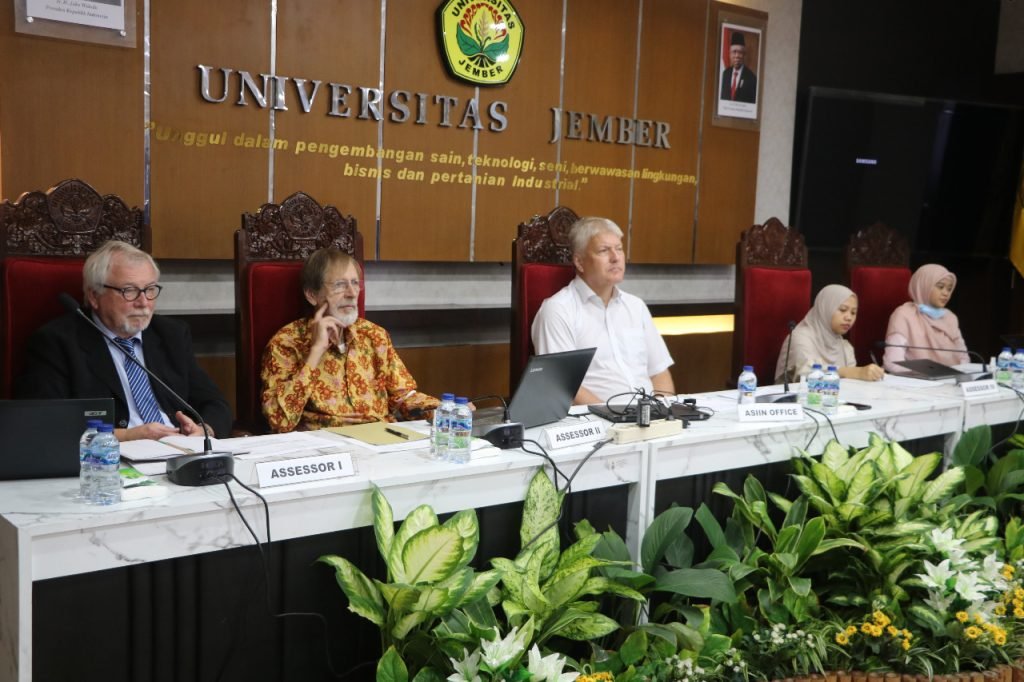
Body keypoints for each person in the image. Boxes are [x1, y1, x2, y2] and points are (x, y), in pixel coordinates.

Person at [15, 240, 232, 441]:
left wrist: (203, 431)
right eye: (129, 291)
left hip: (178, 451)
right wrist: (128, 436)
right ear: (94, 296)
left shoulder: (171, 334)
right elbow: (46, 424)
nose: (143, 303)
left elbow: (216, 404)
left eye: (150, 290)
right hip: (107, 462)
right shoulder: (57, 342)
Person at [261, 247, 438, 432]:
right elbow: (279, 421)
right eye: (340, 285)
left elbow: (403, 397)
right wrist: (315, 353)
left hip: (381, 439)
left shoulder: (374, 335)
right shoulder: (286, 343)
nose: (352, 293)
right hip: (326, 447)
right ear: (312, 295)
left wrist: (446, 410)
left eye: (355, 283)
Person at [531, 216, 674, 404]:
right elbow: (564, 385)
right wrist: (616, 417)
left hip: (649, 420)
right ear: (580, 262)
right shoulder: (558, 310)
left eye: (619, 249)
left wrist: (661, 411)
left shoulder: (635, 306)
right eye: (604, 250)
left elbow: (659, 372)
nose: (615, 258)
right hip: (597, 424)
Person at [774, 284, 885, 384]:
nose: (849, 317)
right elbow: (806, 374)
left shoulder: (845, 347)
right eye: (842, 310)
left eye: (853, 312)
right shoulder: (800, 338)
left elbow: (851, 385)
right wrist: (854, 372)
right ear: (825, 308)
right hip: (796, 403)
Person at [882, 264, 968, 372]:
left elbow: (964, 358)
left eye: (949, 289)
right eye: (940, 287)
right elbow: (892, 362)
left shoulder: (950, 318)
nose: (946, 293)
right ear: (924, 285)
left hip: (951, 379)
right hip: (915, 382)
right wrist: (921, 376)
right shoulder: (903, 315)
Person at [719, 31, 758, 104]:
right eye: (734, 52)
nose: (737, 56)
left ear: (744, 55)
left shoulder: (751, 78)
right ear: (730, 54)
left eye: (740, 52)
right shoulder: (725, 74)